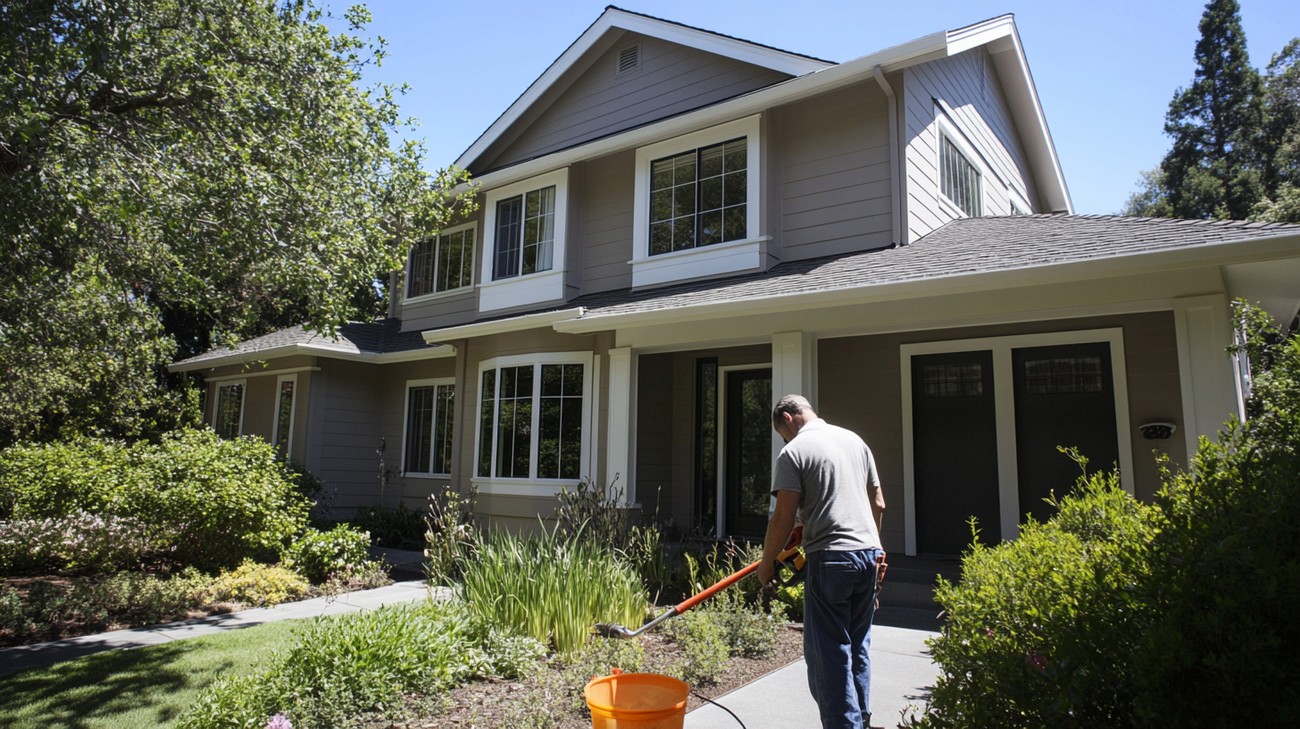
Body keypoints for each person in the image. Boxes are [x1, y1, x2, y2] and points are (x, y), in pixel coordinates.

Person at [757, 394, 887, 729]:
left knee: (828, 653)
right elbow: (879, 503)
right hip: (868, 555)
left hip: (831, 560)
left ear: (787, 418)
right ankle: (862, 721)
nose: (784, 440)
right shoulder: (854, 441)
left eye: (782, 433)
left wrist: (767, 562)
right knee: (857, 647)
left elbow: (782, 516)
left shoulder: (795, 451)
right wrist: (877, 550)